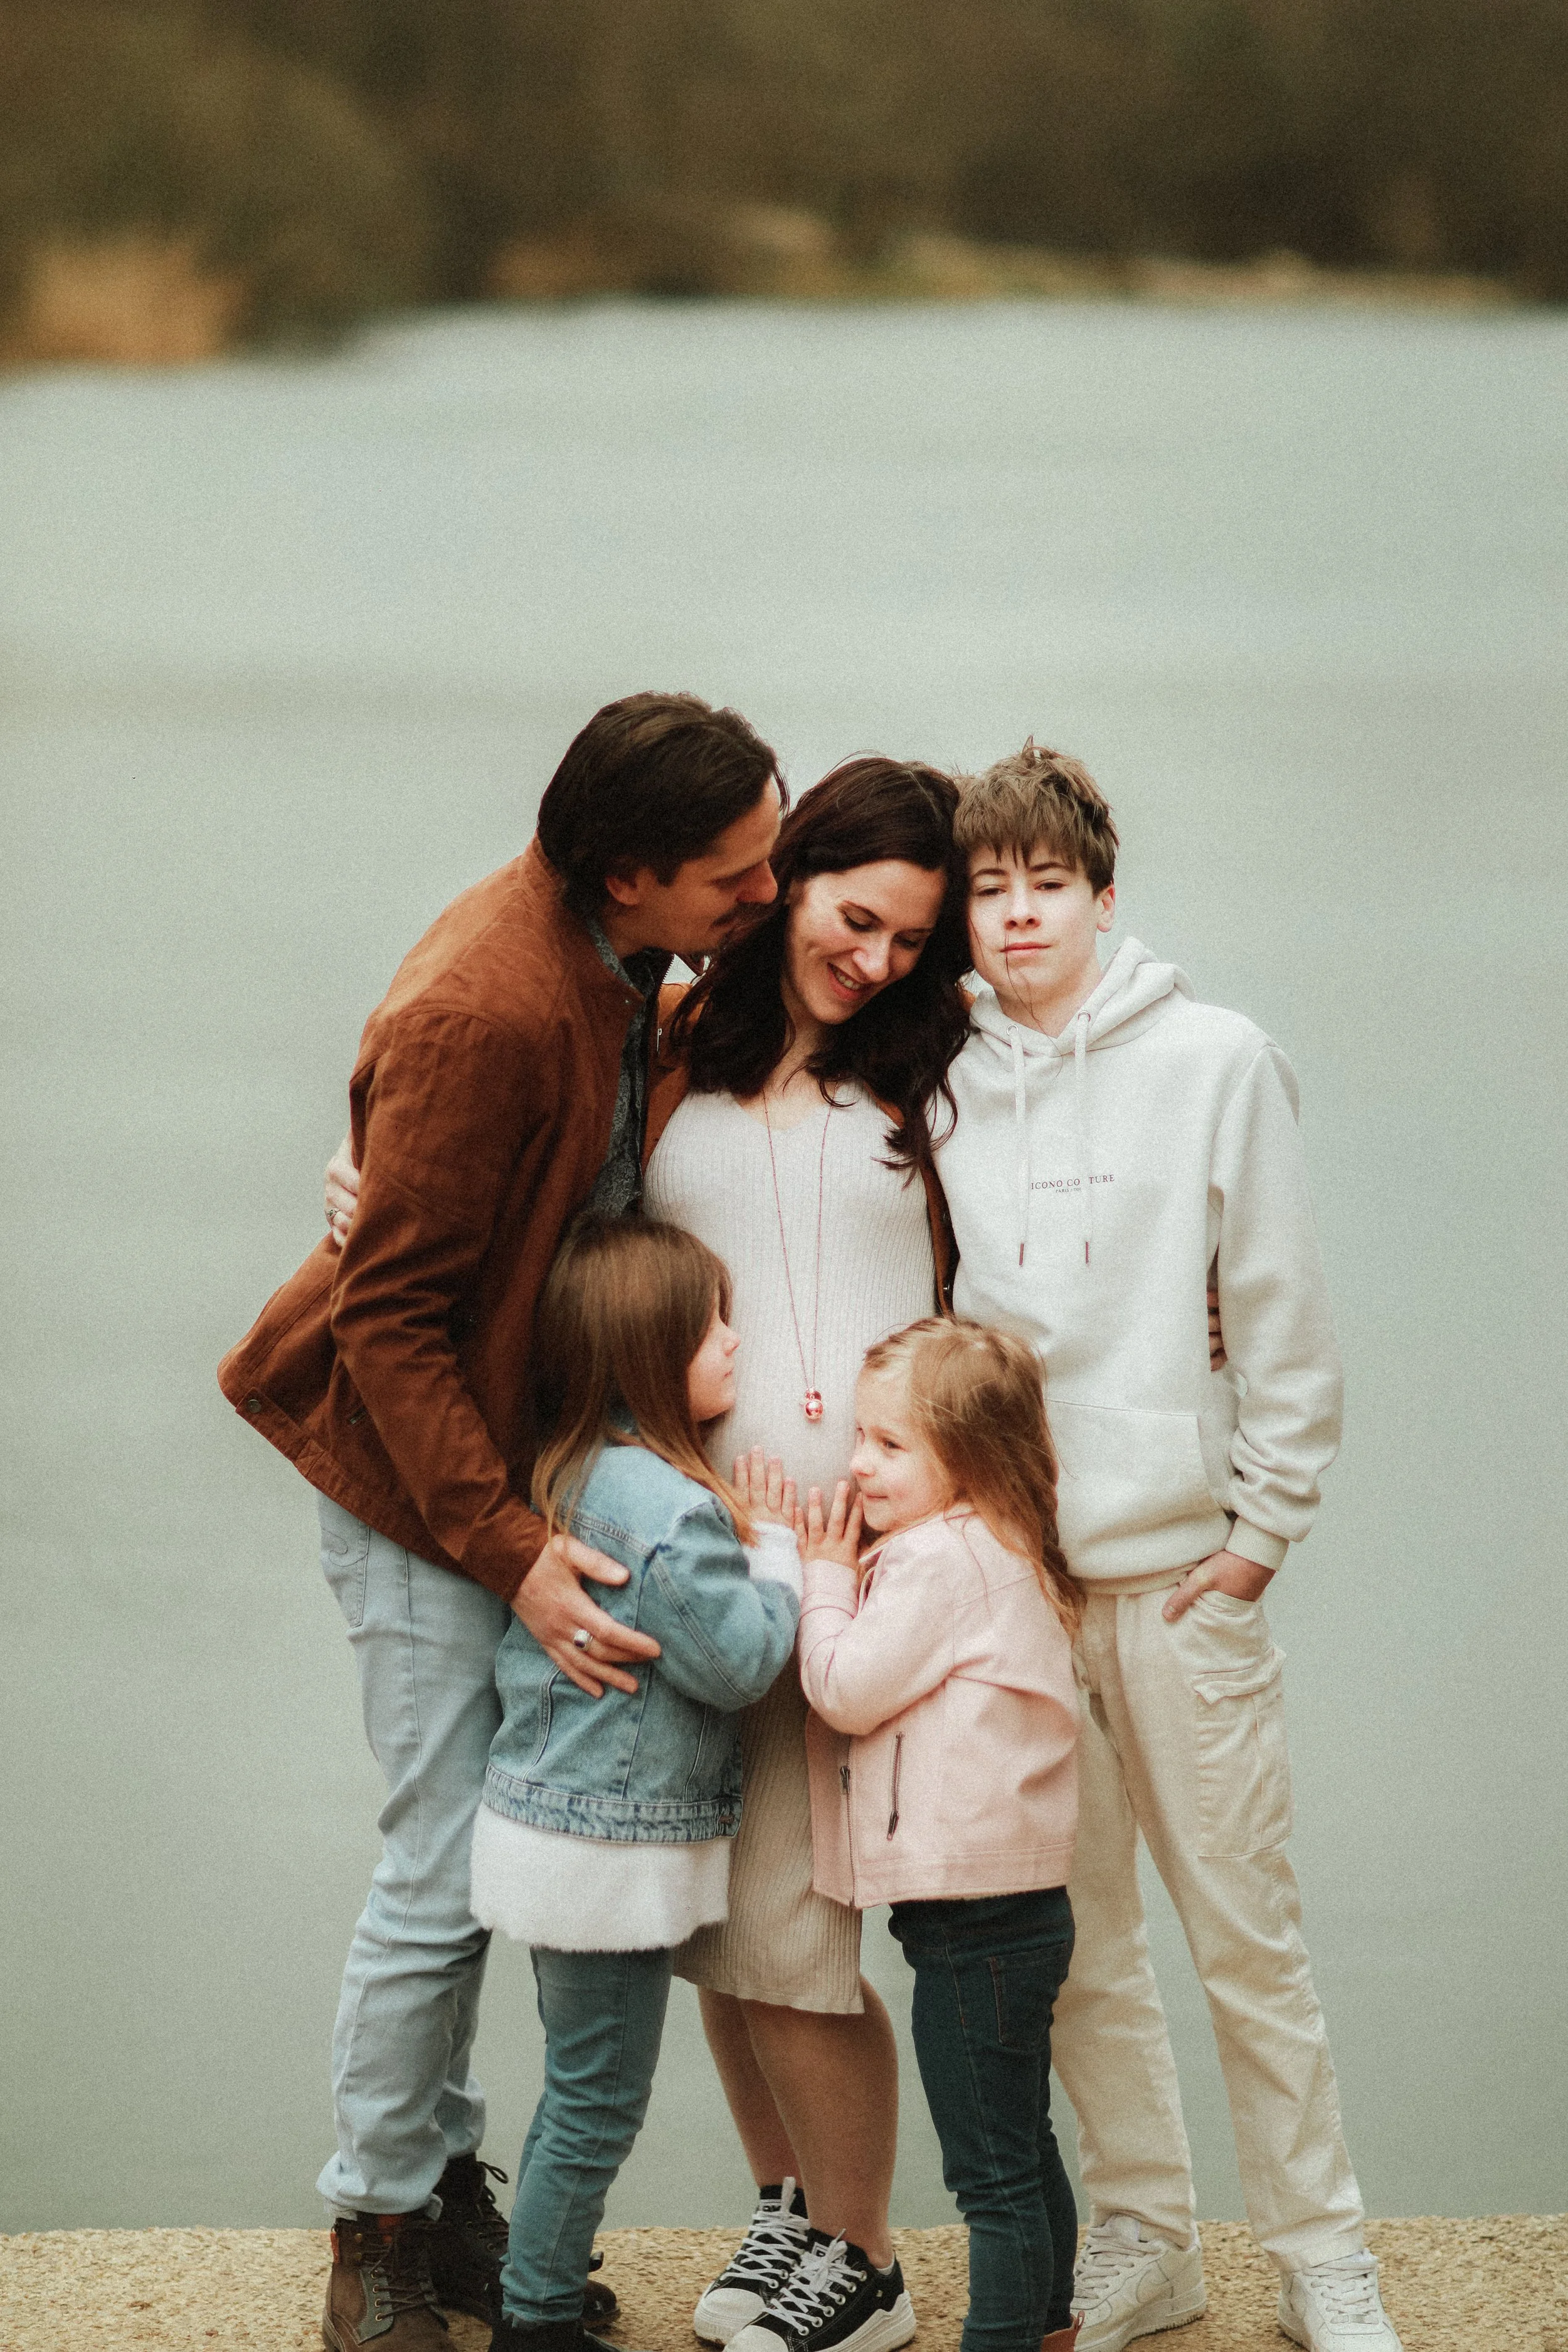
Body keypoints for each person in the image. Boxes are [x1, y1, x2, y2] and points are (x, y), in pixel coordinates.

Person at [219, 691, 785, 2351]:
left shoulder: (618, 954)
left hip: (511, 1458)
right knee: (436, 1865)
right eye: (731, 880)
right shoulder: (486, 1000)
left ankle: (448, 2188)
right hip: (418, 1483)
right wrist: (516, 1555)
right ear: (628, 873)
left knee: (476, 1846)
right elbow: (388, 1324)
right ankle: (379, 2220)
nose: (753, 903)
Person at [935, 743, 1402, 2352]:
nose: (1014, 917)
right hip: (1018, 1592)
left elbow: (1280, 1312)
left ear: (1102, 895)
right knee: (1078, 1955)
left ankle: (1319, 2254)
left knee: (1245, 1944)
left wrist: (1259, 1536)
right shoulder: (938, 1083)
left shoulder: (1214, 1059)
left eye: (1043, 885)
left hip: (1182, 1581)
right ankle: (1147, 2231)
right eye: (985, 891)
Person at [642, 760, 970, 2352]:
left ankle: (869, 2257)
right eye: (857, 918)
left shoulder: (936, 1075)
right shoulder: (666, 1056)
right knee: (709, 1910)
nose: (880, 962)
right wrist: (362, 1185)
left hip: (854, 1557)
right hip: (691, 1540)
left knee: (793, 1916)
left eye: (914, 938)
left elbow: (1039, 1256)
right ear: (789, 879)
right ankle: (787, 2211)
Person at [469, 1215, 803, 2352]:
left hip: (551, 1828)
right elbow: (742, 1661)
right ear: (650, 1348)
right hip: (608, 1852)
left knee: (579, 2083)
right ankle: (539, 2320)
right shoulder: (671, 1510)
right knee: (596, 2099)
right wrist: (786, 1558)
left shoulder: (570, 1473)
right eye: (714, 1322)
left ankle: (536, 2291)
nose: (736, 1341)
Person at [787, 1318, 1084, 2352]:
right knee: (1020, 2139)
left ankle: (1004, 2336)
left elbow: (845, 1688)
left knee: (989, 2172)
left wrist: (823, 1573)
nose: (858, 1463)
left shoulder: (937, 1562)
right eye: (859, 1436)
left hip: (973, 1923)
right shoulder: (996, 1539)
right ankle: (1049, 2326)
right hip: (1019, 1909)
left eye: (890, 1444)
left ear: (970, 1453)